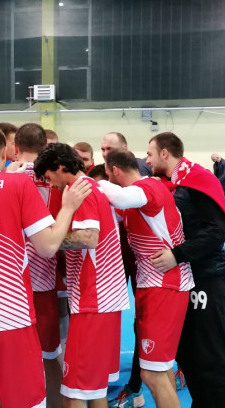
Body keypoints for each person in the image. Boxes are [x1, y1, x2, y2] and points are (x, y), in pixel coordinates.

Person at [0, 125, 92, 408]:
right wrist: (68, 207)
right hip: (8, 312)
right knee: (27, 397)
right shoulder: (18, 185)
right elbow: (48, 246)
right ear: (5, 152)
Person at [147, 132, 225, 408]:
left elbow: (218, 230)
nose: (147, 160)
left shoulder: (197, 179)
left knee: (210, 354)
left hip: (207, 277)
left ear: (165, 153)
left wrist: (177, 255)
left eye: (150, 154)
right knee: (189, 353)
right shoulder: (174, 182)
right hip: (188, 278)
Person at [35, 143, 130, 408]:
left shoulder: (81, 190)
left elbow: (88, 238)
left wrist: (46, 241)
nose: (50, 184)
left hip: (94, 299)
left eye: (49, 176)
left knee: (73, 392)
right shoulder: (89, 188)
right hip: (101, 298)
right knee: (94, 388)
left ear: (60, 167)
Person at [100, 149, 193, 408]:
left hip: (164, 286)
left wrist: (86, 181)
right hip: (154, 285)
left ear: (115, 171)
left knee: (152, 374)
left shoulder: (148, 188)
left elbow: (118, 196)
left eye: (108, 175)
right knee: (160, 369)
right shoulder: (136, 202)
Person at [11, 123, 64, 408]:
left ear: (15, 147)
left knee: (9, 359)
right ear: (44, 147)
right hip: (44, 277)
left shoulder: (4, 177)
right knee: (49, 355)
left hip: (9, 283)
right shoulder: (55, 177)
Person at [101, 131, 149, 408]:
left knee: (145, 320)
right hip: (117, 258)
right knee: (112, 314)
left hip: (144, 260)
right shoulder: (104, 175)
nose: (105, 153)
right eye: (102, 148)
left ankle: (136, 386)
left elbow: (121, 201)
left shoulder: (141, 179)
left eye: (110, 149)